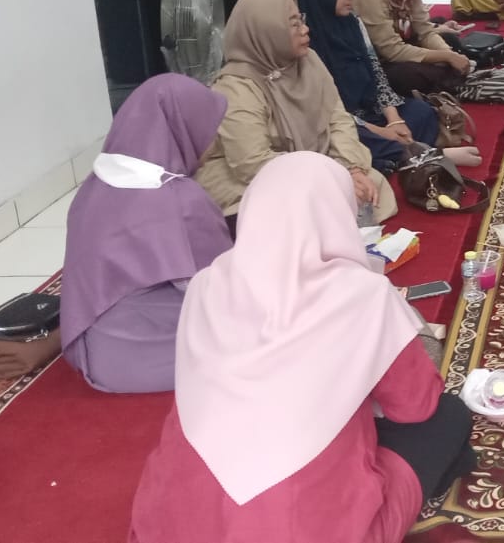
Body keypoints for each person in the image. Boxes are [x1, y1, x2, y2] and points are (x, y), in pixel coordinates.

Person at [128, 152, 477, 543]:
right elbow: (415, 406)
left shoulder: (205, 285)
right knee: (447, 416)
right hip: (313, 530)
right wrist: (400, 330)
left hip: (174, 528)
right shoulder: (362, 294)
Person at [59, 74, 233, 394]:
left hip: (96, 358)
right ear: (182, 127)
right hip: (154, 359)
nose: (213, 141)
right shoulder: (180, 200)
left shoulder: (94, 186)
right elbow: (224, 291)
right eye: (208, 128)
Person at [195, 0, 396, 229]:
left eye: (301, 19)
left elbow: (337, 119)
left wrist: (351, 169)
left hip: (313, 162)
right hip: (258, 176)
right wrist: (328, 179)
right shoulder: (235, 87)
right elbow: (251, 162)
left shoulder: (308, 61)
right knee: (283, 206)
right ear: (267, 32)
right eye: (293, 24)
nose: (305, 29)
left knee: (368, 180)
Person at [278, 0, 481, 171]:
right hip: (339, 121)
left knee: (421, 112)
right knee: (346, 140)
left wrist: (394, 119)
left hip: (368, 108)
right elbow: (326, 114)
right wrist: (382, 132)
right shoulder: (300, 38)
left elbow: (375, 70)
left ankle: (399, 155)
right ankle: (426, 154)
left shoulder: (352, 22)